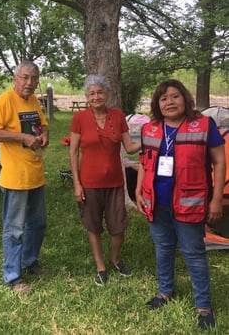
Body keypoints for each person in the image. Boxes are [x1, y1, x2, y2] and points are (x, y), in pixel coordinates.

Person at [135, 79, 225, 330]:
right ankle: (165, 292)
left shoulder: (204, 125)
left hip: (190, 204)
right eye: (163, 98)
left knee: (194, 254)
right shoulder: (151, 129)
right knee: (162, 249)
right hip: (157, 203)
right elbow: (144, 162)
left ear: (185, 99)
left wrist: (216, 199)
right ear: (157, 104)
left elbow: (219, 162)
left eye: (174, 96)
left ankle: (204, 307)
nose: (169, 102)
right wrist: (138, 190)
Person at [0, 61, 50, 295]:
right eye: (25, 77)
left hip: (35, 174)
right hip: (15, 178)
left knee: (38, 224)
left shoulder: (33, 101)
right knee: (14, 229)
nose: (29, 83)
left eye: (34, 78)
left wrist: (43, 135)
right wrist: (22, 137)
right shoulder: (5, 100)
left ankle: (29, 262)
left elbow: (43, 125)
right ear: (15, 78)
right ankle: (12, 276)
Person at [69, 74, 141, 286]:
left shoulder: (118, 116)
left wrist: (150, 138)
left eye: (100, 92)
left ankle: (115, 259)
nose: (96, 96)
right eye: (91, 93)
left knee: (118, 227)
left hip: (115, 182)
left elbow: (129, 147)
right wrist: (76, 183)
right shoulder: (79, 118)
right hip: (89, 183)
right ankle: (101, 266)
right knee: (93, 226)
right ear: (86, 96)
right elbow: (73, 153)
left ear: (107, 94)